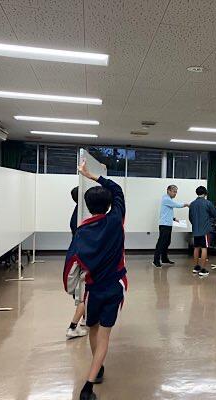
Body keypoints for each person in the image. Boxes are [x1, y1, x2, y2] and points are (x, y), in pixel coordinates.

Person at [63, 160, 128, 400]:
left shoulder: (82, 232)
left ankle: (96, 368)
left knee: (93, 328)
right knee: (105, 335)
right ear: (110, 205)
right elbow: (117, 190)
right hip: (114, 286)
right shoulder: (116, 220)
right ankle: (88, 386)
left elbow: (72, 264)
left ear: (87, 206)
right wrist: (91, 175)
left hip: (92, 289)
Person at [66, 186, 87, 339]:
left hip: (76, 253)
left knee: (83, 292)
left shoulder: (78, 212)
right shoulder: (81, 215)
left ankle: (85, 319)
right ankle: (73, 327)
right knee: (84, 294)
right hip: (81, 256)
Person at [189, 186, 216, 277]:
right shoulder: (208, 203)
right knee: (204, 248)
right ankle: (203, 269)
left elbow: (190, 218)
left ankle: (196, 267)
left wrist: (195, 225)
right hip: (205, 230)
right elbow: (215, 214)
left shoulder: (192, 204)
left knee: (196, 248)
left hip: (196, 230)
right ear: (205, 193)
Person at [153, 185, 189, 268]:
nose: (175, 193)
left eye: (176, 192)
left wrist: (174, 219)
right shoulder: (166, 199)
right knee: (161, 242)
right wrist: (186, 204)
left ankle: (164, 259)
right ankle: (156, 261)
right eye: (174, 191)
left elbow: (167, 212)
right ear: (168, 191)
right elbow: (176, 205)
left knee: (167, 242)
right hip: (164, 225)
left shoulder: (168, 199)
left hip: (168, 224)